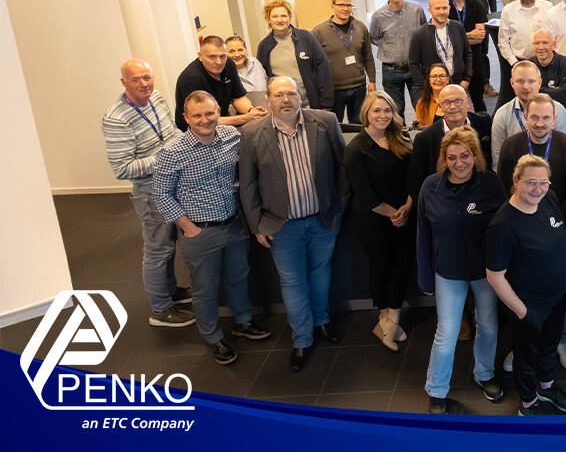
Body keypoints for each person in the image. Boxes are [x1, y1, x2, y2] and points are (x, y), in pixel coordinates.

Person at [239, 76, 347, 372]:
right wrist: (257, 225)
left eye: (291, 94)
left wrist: (339, 208)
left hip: (323, 220)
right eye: (278, 95)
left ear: (301, 97)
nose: (286, 99)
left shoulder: (325, 122)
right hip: (281, 226)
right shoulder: (252, 132)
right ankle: (302, 338)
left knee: (321, 274)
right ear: (268, 100)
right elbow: (248, 184)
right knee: (292, 282)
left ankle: (322, 321)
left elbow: (342, 168)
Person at [153, 91, 268, 365]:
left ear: (218, 112)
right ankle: (213, 337)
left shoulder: (231, 136)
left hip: (233, 225)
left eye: (209, 113)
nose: (204, 120)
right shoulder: (172, 152)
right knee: (205, 289)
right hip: (200, 232)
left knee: (238, 276)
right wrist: (188, 228)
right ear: (186, 118)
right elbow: (161, 195)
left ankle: (242, 321)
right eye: (197, 116)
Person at [417, 126, 507, 414]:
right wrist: (425, 277)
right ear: (444, 159)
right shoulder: (430, 187)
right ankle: (436, 389)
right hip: (448, 270)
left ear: (475, 156)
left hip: (485, 271)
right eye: (452, 157)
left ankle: (485, 374)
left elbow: (504, 229)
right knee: (446, 332)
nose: (459, 163)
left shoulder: (490, 184)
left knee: (488, 326)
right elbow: (423, 235)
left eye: (465, 156)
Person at [487, 155, 566, 415]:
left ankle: (546, 387)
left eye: (543, 182)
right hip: (528, 304)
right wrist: (522, 311)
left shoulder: (548, 199)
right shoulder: (503, 225)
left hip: (557, 296)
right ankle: (528, 401)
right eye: (530, 183)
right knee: (526, 355)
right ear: (516, 181)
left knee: (550, 346)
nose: (538, 189)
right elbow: (494, 276)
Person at [102, 59, 192, 327]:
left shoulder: (158, 98)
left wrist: (187, 143)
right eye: (136, 79)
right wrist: (167, 157)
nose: (144, 84)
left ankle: (171, 292)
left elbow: (171, 132)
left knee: (169, 246)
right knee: (158, 251)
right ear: (124, 82)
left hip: (174, 183)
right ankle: (160, 309)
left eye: (147, 77)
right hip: (150, 193)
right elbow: (122, 169)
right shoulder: (116, 119)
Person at [344, 92, 414, 351]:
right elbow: (364, 194)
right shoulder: (356, 149)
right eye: (377, 110)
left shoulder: (400, 138)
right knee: (382, 267)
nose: (382, 115)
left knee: (402, 265)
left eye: (387, 110)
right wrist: (394, 214)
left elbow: (412, 177)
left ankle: (389, 321)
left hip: (404, 215)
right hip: (373, 219)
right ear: (366, 113)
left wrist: (407, 207)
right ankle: (387, 320)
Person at [496, 93, 566, 220]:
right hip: (519, 218)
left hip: (558, 218)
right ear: (526, 117)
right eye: (534, 117)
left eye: (546, 118)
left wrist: (558, 221)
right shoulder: (510, 145)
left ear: (554, 119)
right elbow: (503, 188)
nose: (539, 124)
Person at [408, 83, 492, 203]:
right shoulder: (424, 139)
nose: (452, 106)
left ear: (467, 103)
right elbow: (416, 182)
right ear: (440, 107)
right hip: (442, 201)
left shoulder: (485, 123)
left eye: (458, 101)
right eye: (447, 102)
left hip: (481, 197)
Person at [254, 0, 334, 113]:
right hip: (282, 104)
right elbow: (263, 78)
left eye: (283, 16)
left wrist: (327, 102)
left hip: (309, 102)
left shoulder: (306, 37)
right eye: (275, 16)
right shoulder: (264, 46)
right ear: (268, 19)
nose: (280, 20)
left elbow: (323, 68)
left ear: (289, 17)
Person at [177, 35, 270, 130]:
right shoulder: (190, 79)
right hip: (197, 129)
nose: (219, 62)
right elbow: (206, 120)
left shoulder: (229, 64)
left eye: (222, 56)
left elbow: (238, 98)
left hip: (222, 120)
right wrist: (246, 118)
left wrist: (251, 111)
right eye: (212, 57)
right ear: (200, 56)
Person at [491, 61, 566, 167]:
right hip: (516, 175)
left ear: (539, 82)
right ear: (512, 83)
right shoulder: (502, 115)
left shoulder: (558, 110)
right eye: (520, 81)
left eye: (531, 81)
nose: (526, 86)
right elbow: (498, 160)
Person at [312, 0, 375, 123]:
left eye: (349, 5)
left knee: (359, 124)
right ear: (332, 6)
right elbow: (313, 63)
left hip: (359, 87)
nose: (345, 9)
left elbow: (368, 56)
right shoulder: (319, 31)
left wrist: (372, 80)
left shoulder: (360, 27)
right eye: (341, 5)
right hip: (334, 89)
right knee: (334, 125)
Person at [370, 0, 426, 117]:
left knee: (421, 107)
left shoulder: (417, 10)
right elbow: (374, 38)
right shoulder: (378, 16)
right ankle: (399, 132)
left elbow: (424, 33)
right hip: (391, 70)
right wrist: (389, 48)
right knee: (395, 111)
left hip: (415, 68)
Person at [496, 0, 552, 106]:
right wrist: (515, 63)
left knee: (543, 103)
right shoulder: (508, 10)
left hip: (543, 63)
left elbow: (553, 35)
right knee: (521, 102)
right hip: (518, 61)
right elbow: (503, 43)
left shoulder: (547, 7)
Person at [442, 0, 491, 110]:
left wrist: (456, 37)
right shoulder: (444, 7)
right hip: (451, 61)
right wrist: (469, 35)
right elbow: (445, 38)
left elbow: (480, 37)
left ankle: (482, 125)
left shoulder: (478, 5)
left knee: (478, 100)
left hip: (475, 59)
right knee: (452, 102)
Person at [409, 0, 472, 92]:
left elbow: (467, 54)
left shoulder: (458, 27)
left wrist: (466, 79)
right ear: (429, 10)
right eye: (437, 8)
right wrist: (426, 86)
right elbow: (414, 65)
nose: (442, 12)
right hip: (433, 88)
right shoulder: (419, 34)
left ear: (449, 8)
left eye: (444, 8)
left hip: (458, 84)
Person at [529, 26, 566, 108]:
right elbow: (525, 93)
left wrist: (536, 90)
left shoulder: (565, 63)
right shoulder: (529, 65)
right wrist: (554, 91)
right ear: (533, 45)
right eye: (537, 43)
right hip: (534, 111)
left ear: (554, 45)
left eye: (545, 43)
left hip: (559, 111)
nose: (540, 47)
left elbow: (565, 94)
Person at [413, 63, 451, 130]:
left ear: (447, 79)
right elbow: (420, 129)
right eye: (434, 76)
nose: (438, 79)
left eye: (442, 76)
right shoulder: (422, 103)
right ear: (429, 80)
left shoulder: (457, 100)